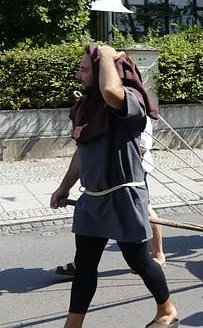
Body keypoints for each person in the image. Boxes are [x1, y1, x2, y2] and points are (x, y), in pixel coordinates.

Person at [32, 44, 177, 328]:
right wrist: (64, 187)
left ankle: (167, 311)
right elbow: (82, 152)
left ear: (103, 71)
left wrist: (109, 55)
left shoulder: (129, 100)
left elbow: (111, 90)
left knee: (138, 261)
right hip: (93, 199)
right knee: (85, 265)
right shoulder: (89, 106)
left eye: (85, 69)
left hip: (124, 196)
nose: (79, 74)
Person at [53, 118, 166, 276]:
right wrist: (64, 187)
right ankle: (83, 263)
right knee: (95, 222)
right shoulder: (91, 112)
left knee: (144, 211)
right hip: (100, 178)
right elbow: (82, 149)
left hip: (130, 175)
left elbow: (140, 146)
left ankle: (156, 255)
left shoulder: (131, 109)